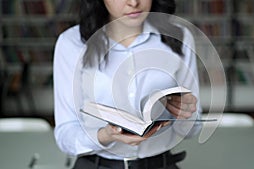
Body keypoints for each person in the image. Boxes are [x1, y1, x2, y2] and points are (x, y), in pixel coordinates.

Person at [53, 0, 202, 168]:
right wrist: (105, 136)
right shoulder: (71, 42)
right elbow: (65, 134)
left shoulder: (179, 36)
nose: (133, 3)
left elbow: (194, 128)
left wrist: (185, 115)